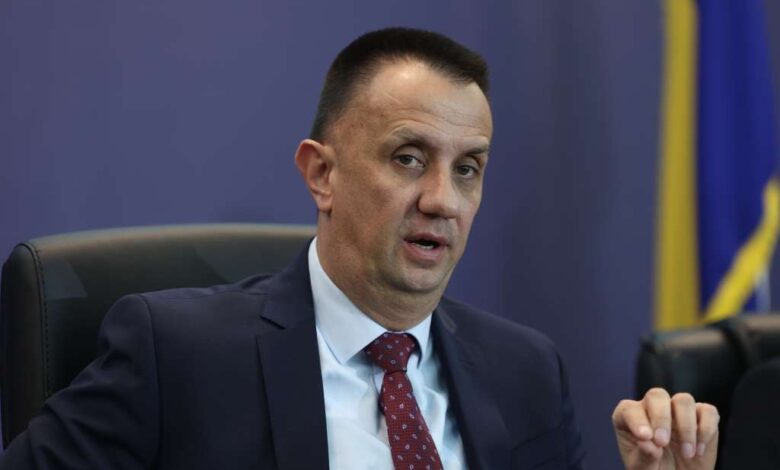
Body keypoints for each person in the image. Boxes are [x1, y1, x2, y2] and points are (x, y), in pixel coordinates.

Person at [0, 27, 718, 470]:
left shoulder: (524, 372)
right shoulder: (176, 355)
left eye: (468, 169)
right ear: (322, 174)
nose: (442, 199)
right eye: (409, 158)